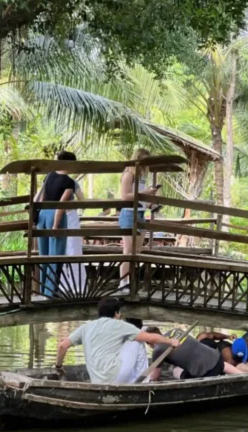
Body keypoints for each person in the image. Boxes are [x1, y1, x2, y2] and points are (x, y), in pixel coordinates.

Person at [55, 298, 180, 384]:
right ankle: (143, 382)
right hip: (115, 377)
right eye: (119, 313)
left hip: (96, 381)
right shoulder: (119, 325)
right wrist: (170, 342)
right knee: (137, 339)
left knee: (125, 341)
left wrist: (59, 366)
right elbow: (151, 337)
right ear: (116, 313)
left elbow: (62, 346)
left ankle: (132, 380)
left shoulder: (85, 328)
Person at [34, 151, 76, 296]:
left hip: (42, 214)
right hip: (55, 216)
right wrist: (56, 225)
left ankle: (42, 289)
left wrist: (36, 216)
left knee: (44, 255)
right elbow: (61, 204)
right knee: (56, 256)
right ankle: (51, 292)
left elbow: (41, 197)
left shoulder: (49, 175)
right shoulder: (69, 182)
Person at [118, 148, 160, 290]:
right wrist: (144, 192)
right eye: (144, 162)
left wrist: (151, 201)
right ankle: (123, 282)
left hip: (141, 213)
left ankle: (131, 280)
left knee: (136, 251)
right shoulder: (129, 174)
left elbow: (141, 198)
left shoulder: (142, 176)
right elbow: (125, 196)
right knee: (128, 251)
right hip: (129, 213)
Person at [145, 327, 244, 381]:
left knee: (175, 370)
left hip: (204, 372)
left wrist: (150, 380)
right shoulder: (175, 330)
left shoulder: (158, 349)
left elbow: (155, 377)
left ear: (150, 343)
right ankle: (243, 375)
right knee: (220, 364)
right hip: (216, 358)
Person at [58, 152, 86, 295]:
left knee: (66, 250)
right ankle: (76, 286)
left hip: (63, 217)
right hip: (68, 216)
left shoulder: (50, 179)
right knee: (71, 250)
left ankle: (66, 285)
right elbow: (83, 200)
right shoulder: (70, 182)